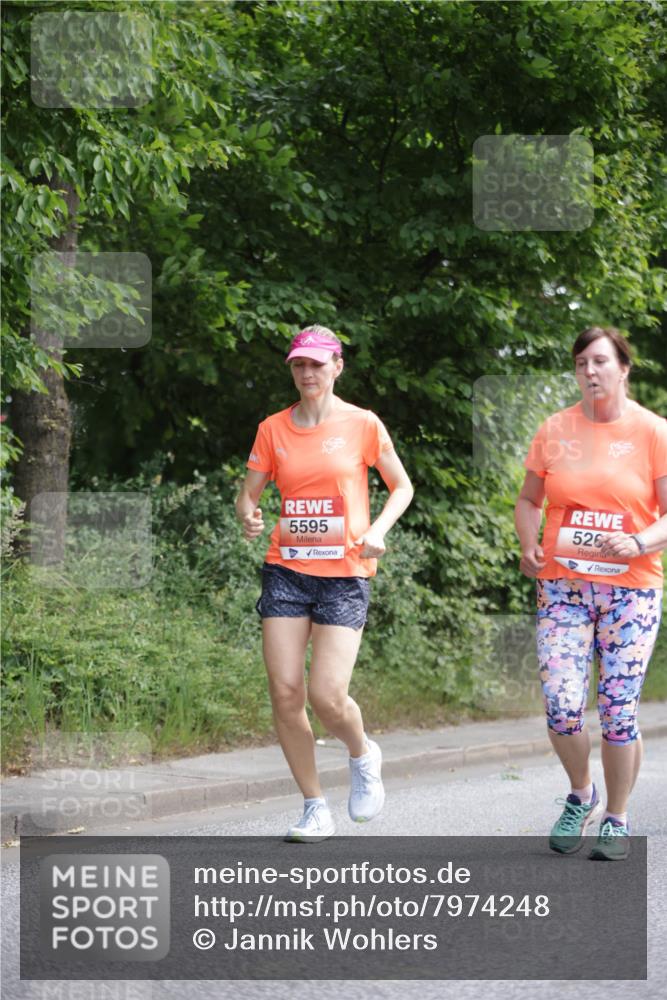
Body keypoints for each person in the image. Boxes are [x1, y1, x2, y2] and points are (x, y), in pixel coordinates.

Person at [236, 325, 414, 842]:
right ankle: (314, 805)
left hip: (344, 573)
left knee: (328, 694)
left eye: (317, 363)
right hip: (287, 569)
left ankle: (362, 754)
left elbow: (401, 486)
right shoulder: (272, 429)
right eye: (299, 364)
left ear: (337, 366)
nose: (308, 373)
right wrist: (248, 514)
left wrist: (378, 529)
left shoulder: (362, 424)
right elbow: (248, 495)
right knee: (286, 692)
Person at [515, 326, 667, 860]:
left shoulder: (653, 432)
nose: (590, 371)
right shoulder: (555, 429)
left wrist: (637, 541)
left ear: (624, 367)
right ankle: (582, 793)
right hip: (563, 586)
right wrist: (528, 544)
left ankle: (618, 819)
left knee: (618, 710)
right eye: (581, 362)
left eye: (601, 361)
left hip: (631, 590)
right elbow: (530, 499)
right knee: (560, 705)